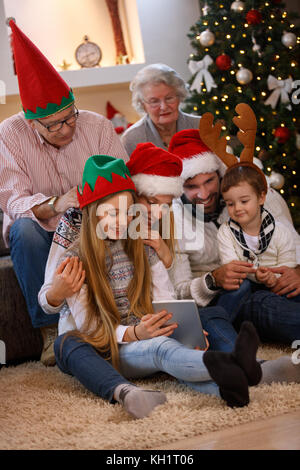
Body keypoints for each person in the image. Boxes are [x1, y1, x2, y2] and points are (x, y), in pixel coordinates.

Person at [41, 153, 266, 410]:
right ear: (93, 213)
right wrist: (136, 333)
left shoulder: (143, 245)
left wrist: (182, 330)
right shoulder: (75, 259)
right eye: (112, 213)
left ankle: (229, 386)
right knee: (159, 347)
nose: (123, 221)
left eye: (127, 213)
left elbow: (164, 300)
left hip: (144, 332)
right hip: (106, 345)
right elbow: (90, 328)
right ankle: (233, 363)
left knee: (188, 329)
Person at [0, 20, 128, 365]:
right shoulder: (9, 134)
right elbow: (12, 200)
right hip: (41, 230)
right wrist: (58, 203)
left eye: (69, 117)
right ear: (31, 122)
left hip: (93, 225)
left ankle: (117, 320)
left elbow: (123, 181)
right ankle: (50, 332)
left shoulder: (97, 126)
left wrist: (97, 202)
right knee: (21, 229)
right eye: (53, 124)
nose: (66, 128)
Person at [168, 121, 300, 349]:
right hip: (228, 298)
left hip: (277, 281)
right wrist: (212, 280)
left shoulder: (261, 196)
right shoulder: (172, 220)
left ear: (220, 174)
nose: (204, 193)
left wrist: (297, 272)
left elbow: (293, 243)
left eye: (209, 181)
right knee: (259, 300)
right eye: (191, 186)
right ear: (180, 188)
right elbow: (177, 293)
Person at [218, 164, 299, 299]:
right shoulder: (225, 232)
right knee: (237, 289)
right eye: (230, 204)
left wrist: (272, 277)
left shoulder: (281, 232)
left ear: (261, 198)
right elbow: (232, 266)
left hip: (277, 285)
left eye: (244, 201)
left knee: (291, 292)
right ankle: (221, 316)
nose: (237, 208)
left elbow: (288, 265)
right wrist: (255, 274)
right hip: (245, 285)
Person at [121, 64, 200, 156]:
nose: (164, 107)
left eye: (169, 98)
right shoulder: (132, 139)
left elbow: (220, 167)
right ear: (143, 105)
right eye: (154, 101)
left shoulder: (200, 126)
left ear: (179, 96)